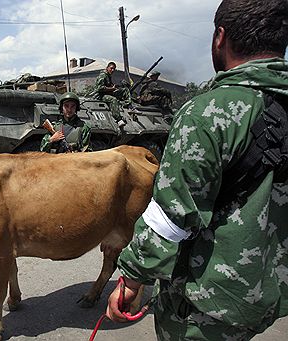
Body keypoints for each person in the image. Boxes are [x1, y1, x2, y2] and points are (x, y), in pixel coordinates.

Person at [105, 0, 288, 340]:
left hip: (206, 304)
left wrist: (132, 277)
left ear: (220, 37)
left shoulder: (207, 113)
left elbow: (172, 214)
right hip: (269, 292)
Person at [95, 62, 127, 127]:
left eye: (114, 69)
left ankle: (128, 104)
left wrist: (115, 88)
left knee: (124, 90)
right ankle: (118, 119)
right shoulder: (103, 75)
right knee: (113, 100)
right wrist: (111, 88)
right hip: (100, 95)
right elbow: (99, 88)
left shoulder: (108, 76)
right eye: (111, 68)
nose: (112, 70)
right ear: (107, 68)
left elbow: (109, 86)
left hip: (107, 93)